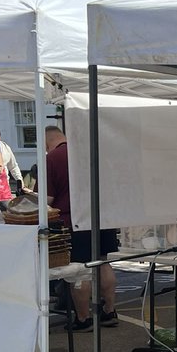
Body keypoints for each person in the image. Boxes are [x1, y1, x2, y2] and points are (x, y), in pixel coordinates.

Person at [45, 125, 119, 331]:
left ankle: (83, 318)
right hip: (103, 217)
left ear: (46, 141)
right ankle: (109, 311)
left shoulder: (53, 159)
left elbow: (48, 200)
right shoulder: (92, 153)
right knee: (103, 262)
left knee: (80, 271)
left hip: (75, 221)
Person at [0, 136, 23, 212]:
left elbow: (13, 166)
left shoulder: (5, 147)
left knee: (9, 212)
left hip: (3, 186)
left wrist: (19, 181)